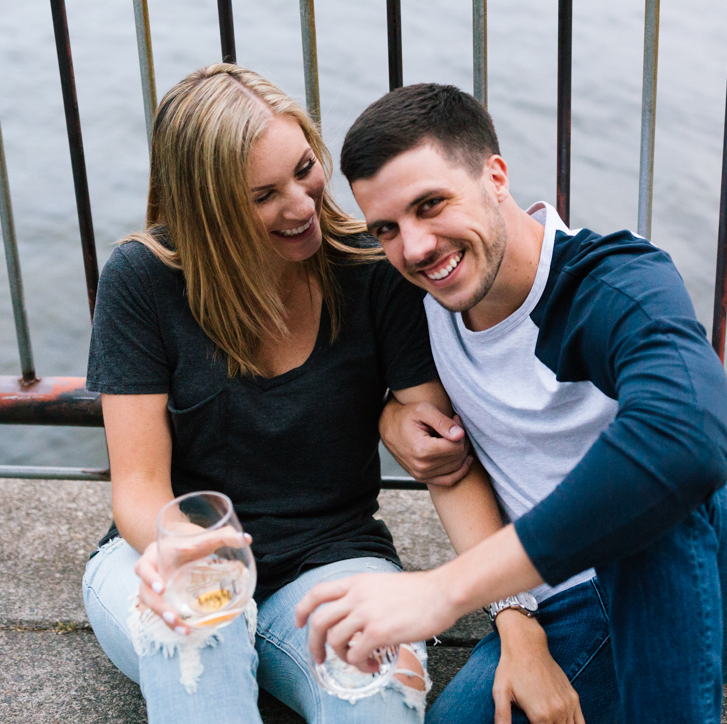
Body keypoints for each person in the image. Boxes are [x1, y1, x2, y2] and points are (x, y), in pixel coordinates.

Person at [81, 66, 581, 724]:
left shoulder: (375, 272)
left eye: (305, 169)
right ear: (209, 211)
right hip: (178, 557)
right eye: (264, 196)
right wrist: (195, 559)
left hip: (335, 563)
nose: (302, 204)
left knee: (380, 697)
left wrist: (519, 626)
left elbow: (445, 462)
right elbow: (139, 489)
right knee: (197, 634)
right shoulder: (143, 280)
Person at [295, 83, 727, 724]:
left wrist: (447, 590)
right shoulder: (414, 296)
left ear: (495, 176)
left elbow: (690, 440)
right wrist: (388, 413)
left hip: (724, 576)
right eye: (387, 228)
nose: (416, 247)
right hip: (563, 604)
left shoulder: (608, 281)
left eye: (432, 204)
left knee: (647, 481)